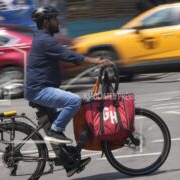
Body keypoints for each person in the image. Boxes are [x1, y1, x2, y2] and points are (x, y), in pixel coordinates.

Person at [24, 6, 109, 177]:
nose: (58, 22)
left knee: (53, 131)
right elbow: (67, 55)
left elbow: (65, 57)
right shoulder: (44, 41)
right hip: (40, 90)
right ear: (47, 22)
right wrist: (95, 61)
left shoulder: (43, 38)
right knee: (74, 101)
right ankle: (56, 131)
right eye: (55, 19)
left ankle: (70, 163)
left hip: (41, 89)